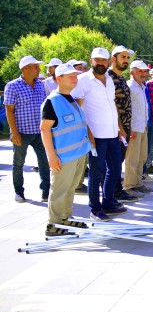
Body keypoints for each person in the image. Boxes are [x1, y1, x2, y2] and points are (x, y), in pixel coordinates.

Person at [71, 48, 127, 221]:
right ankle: (95, 208)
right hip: (96, 136)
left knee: (115, 169)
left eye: (104, 60)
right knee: (96, 173)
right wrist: (88, 133)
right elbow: (77, 109)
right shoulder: (83, 81)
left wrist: (120, 128)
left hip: (113, 133)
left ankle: (108, 202)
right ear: (91, 61)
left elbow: (112, 105)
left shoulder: (109, 79)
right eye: (97, 60)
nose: (101, 63)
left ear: (108, 62)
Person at [40, 63, 93, 236]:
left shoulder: (71, 99)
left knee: (70, 188)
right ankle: (53, 224)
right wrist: (51, 156)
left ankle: (65, 218)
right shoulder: (52, 102)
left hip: (78, 154)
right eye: (70, 76)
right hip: (63, 157)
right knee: (60, 190)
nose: (74, 78)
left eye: (75, 76)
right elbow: (44, 129)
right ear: (58, 79)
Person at [4, 55, 50, 203]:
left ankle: (46, 192)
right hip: (21, 132)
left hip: (40, 132)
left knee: (44, 162)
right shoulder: (12, 86)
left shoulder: (41, 85)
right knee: (18, 163)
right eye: (35, 66)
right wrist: (14, 132)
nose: (38, 69)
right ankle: (19, 192)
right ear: (25, 69)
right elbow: (9, 110)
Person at [108, 45, 138, 203]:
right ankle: (112, 193)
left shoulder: (121, 78)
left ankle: (117, 190)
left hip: (125, 127)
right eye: (123, 57)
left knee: (118, 161)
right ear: (114, 59)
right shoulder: (109, 78)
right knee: (113, 162)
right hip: (115, 128)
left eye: (127, 58)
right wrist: (120, 128)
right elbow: (113, 105)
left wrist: (128, 127)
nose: (126, 60)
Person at [124, 60, 151, 196]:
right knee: (132, 159)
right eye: (140, 71)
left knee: (142, 157)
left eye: (145, 71)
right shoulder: (129, 86)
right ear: (132, 73)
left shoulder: (142, 86)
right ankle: (129, 186)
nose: (143, 74)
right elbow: (125, 109)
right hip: (133, 128)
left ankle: (138, 183)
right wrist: (128, 129)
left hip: (142, 126)